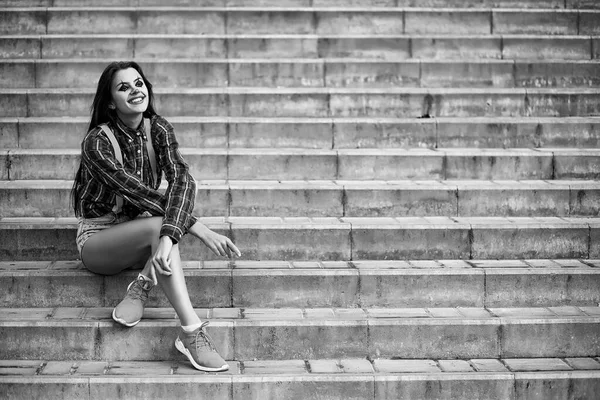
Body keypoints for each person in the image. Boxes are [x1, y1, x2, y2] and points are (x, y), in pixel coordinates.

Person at [71, 61, 240, 372]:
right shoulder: (97, 142)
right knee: (163, 223)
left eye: (139, 83)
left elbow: (182, 180)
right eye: (124, 87)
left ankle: (142, 285)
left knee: (175, 208)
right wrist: (198, 228)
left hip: (146, 230)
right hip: (99, 241)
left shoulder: (158, 128)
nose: (135, 90)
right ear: (110, 101)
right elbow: (139, 192)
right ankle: (192, 330)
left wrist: (169, 232)